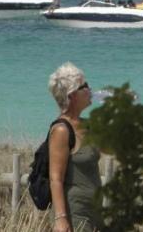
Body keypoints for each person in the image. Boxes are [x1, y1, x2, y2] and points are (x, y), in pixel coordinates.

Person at [48, 62, 104, 232]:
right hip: (74, 213)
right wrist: (60, 219)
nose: (90, 89)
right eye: (84, 86)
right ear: (71, 95)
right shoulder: (61, 130)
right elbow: (55, 178)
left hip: (94, 211)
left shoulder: (87, 125)